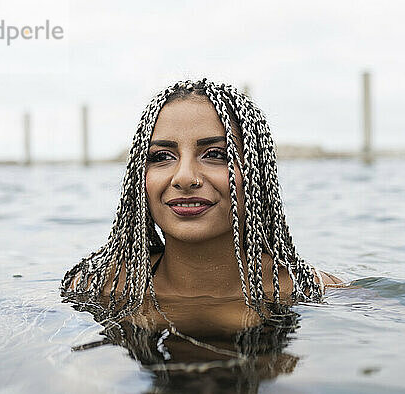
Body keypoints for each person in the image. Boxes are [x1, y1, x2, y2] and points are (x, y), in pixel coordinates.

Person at [61, 79, 343, 321]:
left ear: (257, 174)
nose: (184, 178)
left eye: (216, 155)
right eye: (161, 157)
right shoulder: (98, 287)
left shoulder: (310, 290)